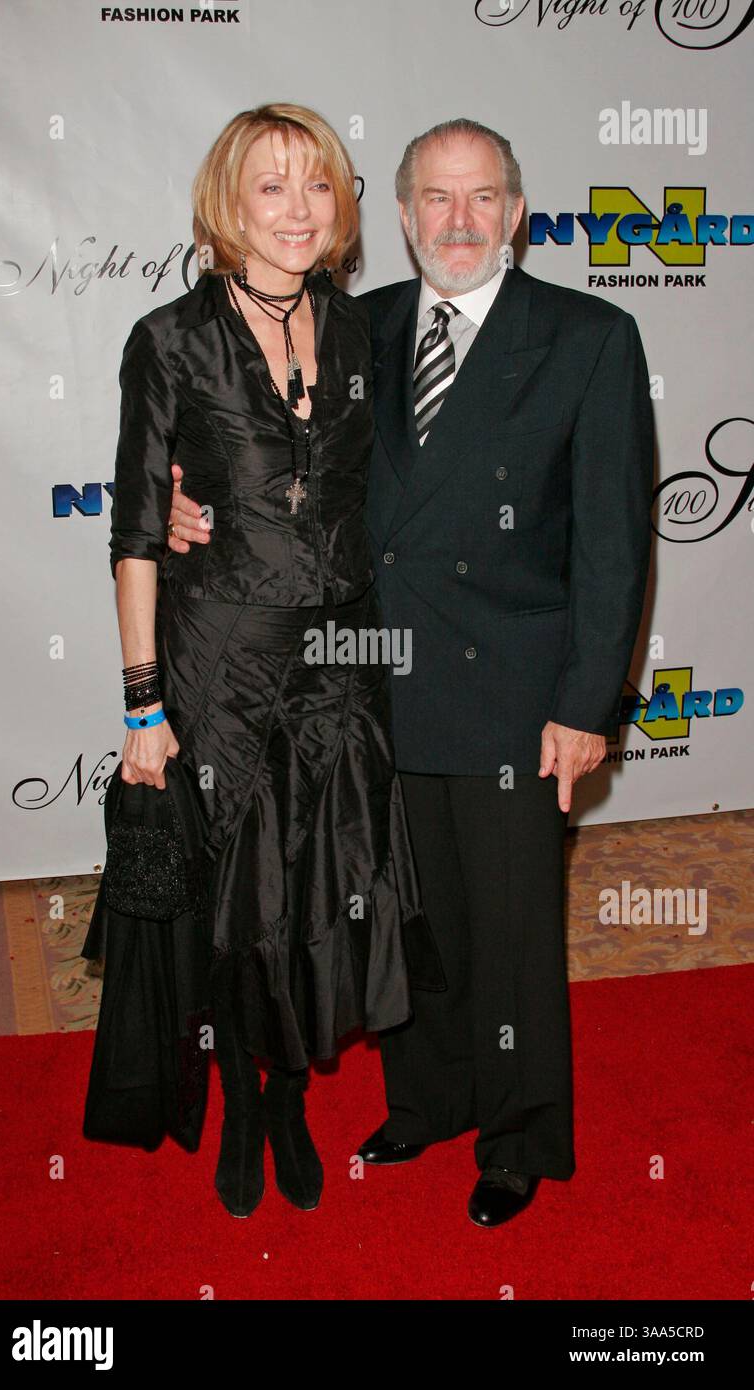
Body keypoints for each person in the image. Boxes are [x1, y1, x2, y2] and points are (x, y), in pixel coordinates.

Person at [168, 118, 654, 1230]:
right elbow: (267, 457)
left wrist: (587, 707)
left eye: (484, 198)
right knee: (405, 917)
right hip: (372, 688)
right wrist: (177, 498)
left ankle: (521, 1135)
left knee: (512, 935)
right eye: (436, 198)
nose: (461, 221)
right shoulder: (360, 328)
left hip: (513, 698)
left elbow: (617, 546)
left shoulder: (589, 336)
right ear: (399, 216)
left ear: (518, 214)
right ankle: (427, 1099)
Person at [106, 103, 427, 1220]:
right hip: (221, 658)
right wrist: (144, 703)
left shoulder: (360, 331)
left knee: (320, 882)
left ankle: (292, 1093)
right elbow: (139, 532)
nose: (300, 209)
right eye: (273, 186)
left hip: (342, 653)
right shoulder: (169, 342)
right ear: (226, 204)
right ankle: (244, 1099)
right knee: (236, 898)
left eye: (320, 185)